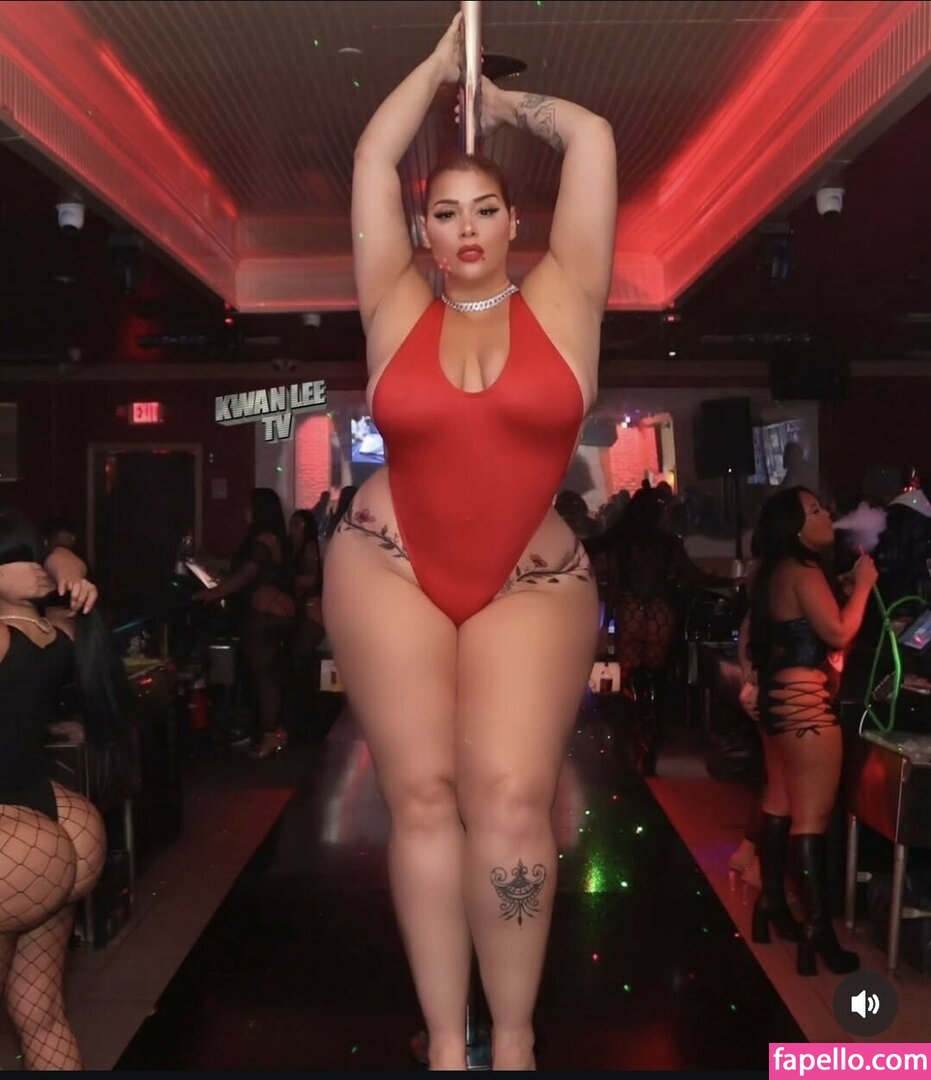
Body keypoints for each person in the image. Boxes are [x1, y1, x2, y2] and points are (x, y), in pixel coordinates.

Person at [322, 12, 616, 1070]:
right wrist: (437, 67)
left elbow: (591, 138)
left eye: (485, 207)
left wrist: (497, 104)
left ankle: (517, 1042)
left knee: (510, 799)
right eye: (443, 212)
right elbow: (371, 158)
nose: (466, 227)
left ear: (512, 218)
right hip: (386, 566)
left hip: (531, 581)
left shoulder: (566, 297)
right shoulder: (395, 306)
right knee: (420, 799)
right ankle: (449, 1047)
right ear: (425, 230)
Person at [0, 508, 125, 1069]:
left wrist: (53, 560)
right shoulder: (59, 633)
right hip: (55, 828)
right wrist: (62, 559)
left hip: (11, 844)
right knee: (43, 1015)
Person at [746, 487, 876, 975]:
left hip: (775, 702)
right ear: (796, 529)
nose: (828, 515)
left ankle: (771, 904)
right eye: (816, 511)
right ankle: (817, 930)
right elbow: (838, 632)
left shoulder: (771, 572)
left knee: (778, 802)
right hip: (807, 710)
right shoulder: (803, 572)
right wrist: (863, 586)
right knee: (811, 819)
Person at [601, 487, 736, 773]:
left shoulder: (621, 542)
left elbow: (614, 585)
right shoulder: (668, 543)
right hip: (659, 610)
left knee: (630, 677)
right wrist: (730, 583)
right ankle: (653, 740)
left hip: (630, 608)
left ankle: (633, 736)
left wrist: (605, 623)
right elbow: (694, 576)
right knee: (657, 677)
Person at [193, 487, 296, 758]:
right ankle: (275, 731)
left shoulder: (262, 539)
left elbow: (247, 575)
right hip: (279, 612)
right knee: (270, 674)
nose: (245, 511)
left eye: (249, 506)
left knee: (263, 676)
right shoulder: (276, 537)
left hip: (265, 616)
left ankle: (269, 735)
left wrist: (215, 593)